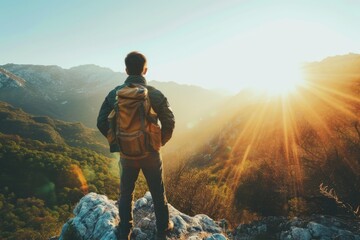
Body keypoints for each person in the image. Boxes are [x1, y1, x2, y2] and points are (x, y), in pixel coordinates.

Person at [97, 51, 175, 240]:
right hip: (150, 153)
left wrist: (119, 142)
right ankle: (163, 229)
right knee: (158, 192)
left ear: (126, 70)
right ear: (145, 70)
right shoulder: (153, 94)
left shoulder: (115, 94)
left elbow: (101, 122)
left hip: (126, 155)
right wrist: (158, 142)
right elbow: (169, 121)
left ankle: (125, 231)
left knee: (125, 193)